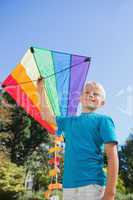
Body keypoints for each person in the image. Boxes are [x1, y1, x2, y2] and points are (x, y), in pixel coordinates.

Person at [37, 79, 119, 200]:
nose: (91, 95)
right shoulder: (69, 121)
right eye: (87, 92)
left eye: (96, 94)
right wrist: (40, 89)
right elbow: (46, 115)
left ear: (102, 102)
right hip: (69, 187)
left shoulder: (104, 120)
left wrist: (110, 193)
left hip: (92, 186)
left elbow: (112, 157)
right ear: (80, 98)